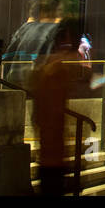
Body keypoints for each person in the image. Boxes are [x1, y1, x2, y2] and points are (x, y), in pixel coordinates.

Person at [30, 18, 87, 195]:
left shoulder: (49, 67)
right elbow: (50, 113)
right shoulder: (55, 69)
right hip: (52, 155)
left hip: (52, 153)